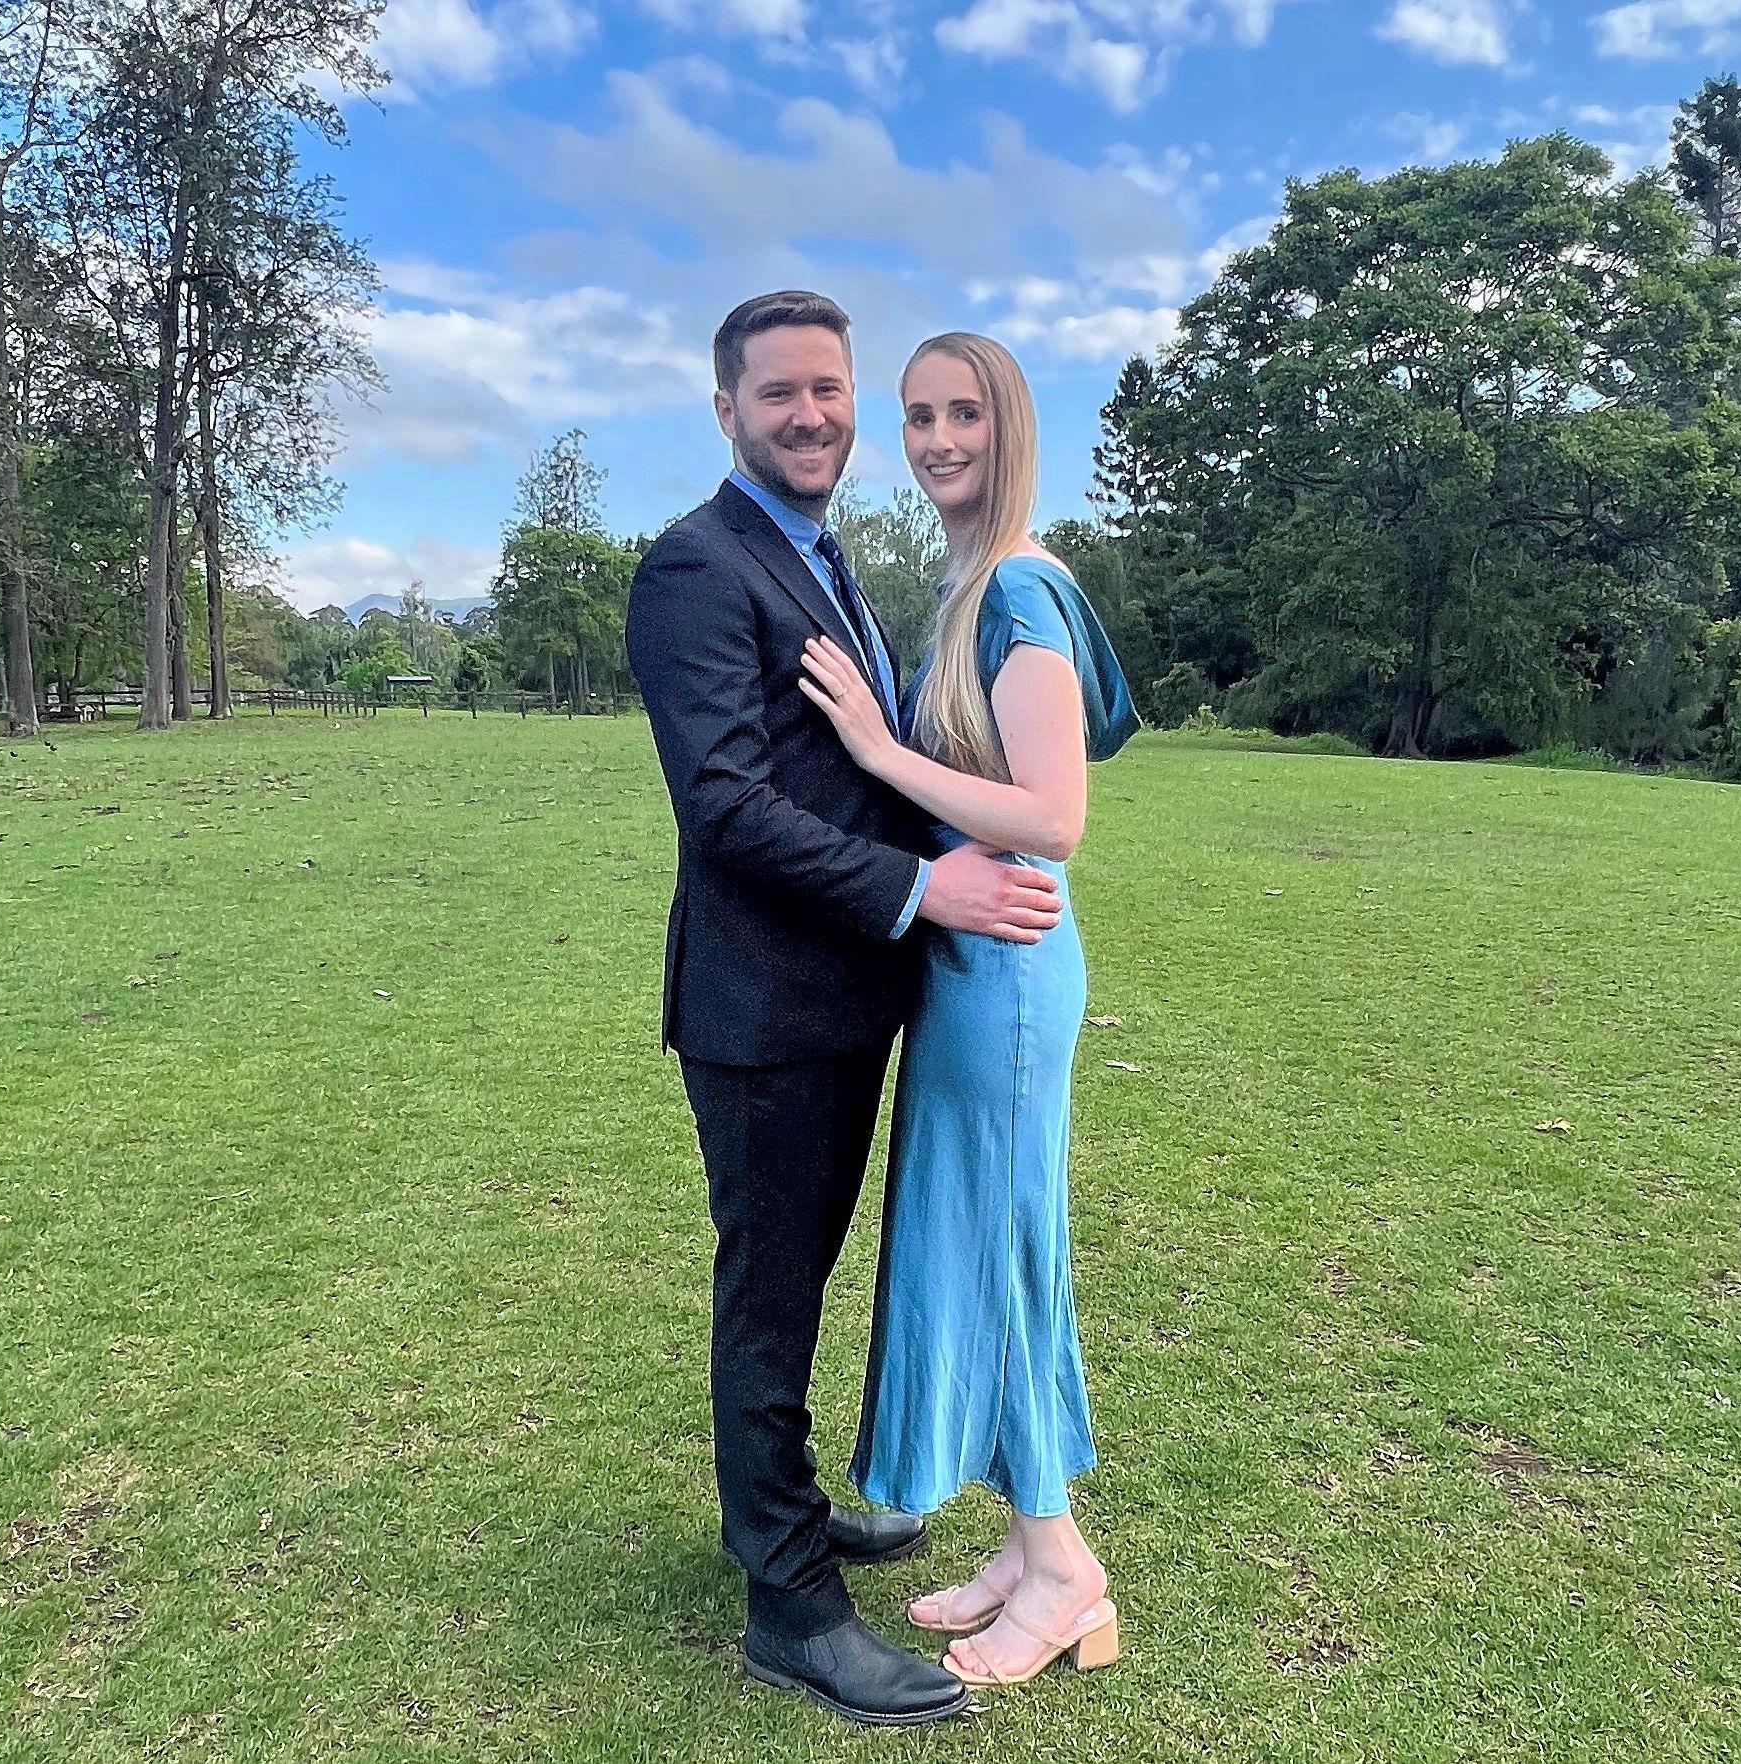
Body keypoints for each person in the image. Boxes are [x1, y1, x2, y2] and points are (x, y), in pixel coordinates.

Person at [622, 291, 1066, 1728]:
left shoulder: (821, 556)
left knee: (797, 1282)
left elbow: (859, 767)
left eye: (831, 389)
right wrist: (924, 889)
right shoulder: (698, 567)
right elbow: (728, 807)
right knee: (769, 1297)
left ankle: (783, 1516)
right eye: (779, 393)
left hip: (842, 998)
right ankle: (793, 1611)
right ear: (727, 410)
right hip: (763, 1013)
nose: (811, 415)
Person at [795, 331, 1141, 1690]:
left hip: (1007, 971)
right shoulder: (967, 583)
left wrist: (879, 751)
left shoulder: (1020, 591)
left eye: (964, 416)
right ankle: (1023, 1545)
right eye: (918, 417)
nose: (938, 441)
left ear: (1010, 427)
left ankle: (1061, 1572)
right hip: (969, 961)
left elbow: (1054, 814)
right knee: (982, 1238)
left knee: (1003, 1253)